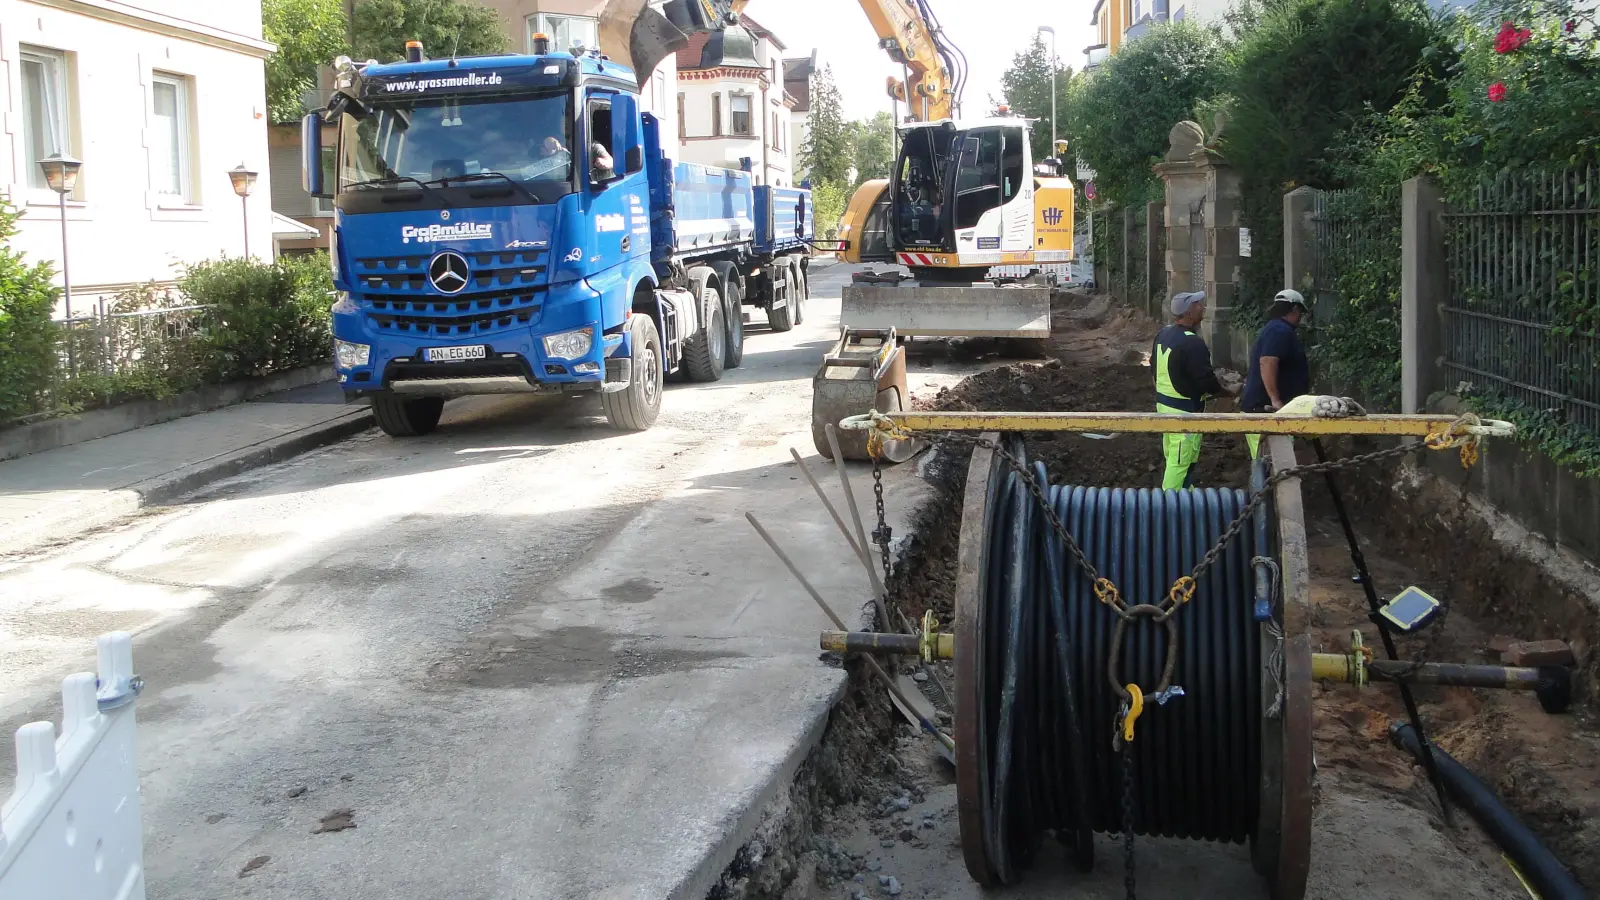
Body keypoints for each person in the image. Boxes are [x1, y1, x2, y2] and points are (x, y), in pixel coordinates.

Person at [1154, 292, 1239, 490]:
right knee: (1181, 461)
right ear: (1189, 312)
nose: (1202, 307)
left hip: (1164, 408)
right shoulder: (1192, 342)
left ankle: (1187, 497)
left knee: (1174, 457)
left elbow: (1154, 369)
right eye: (1198, 304)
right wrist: (1226, 391)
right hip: (1185, 414)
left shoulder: (1164, 334)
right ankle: (1170, 506)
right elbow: (1206, 381)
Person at [1241, 289, 1312, 458]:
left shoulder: (1274, 329)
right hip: (1266, 411)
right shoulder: (1280, 331)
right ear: (1294, 309)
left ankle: (1262, 484)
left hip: (1263, 410)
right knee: (1270, 463)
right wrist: (1276, 401)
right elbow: (1267, 362)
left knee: (1265, 464)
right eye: (1300, 312)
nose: (1301, 317)